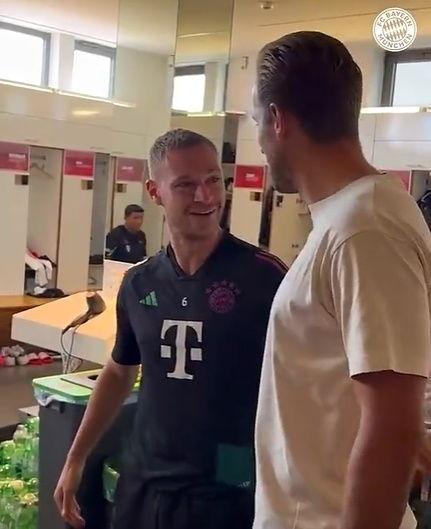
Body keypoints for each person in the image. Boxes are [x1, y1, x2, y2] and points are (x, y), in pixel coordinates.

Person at [54, 129, 287, 529]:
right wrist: (76, 458)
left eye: (213, 180)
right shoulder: (139, 282)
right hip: (147, 482)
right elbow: (119, 370)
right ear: (154, 191)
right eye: (185, 185)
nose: (205, 196)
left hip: (229, 484)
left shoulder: (265, 277)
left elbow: (310, 377)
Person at [252, 31, 431, 529]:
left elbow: (391, 423)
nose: (259, 143)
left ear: (277, 119)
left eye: (256, 122)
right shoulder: (353, 218)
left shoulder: (363, 227)